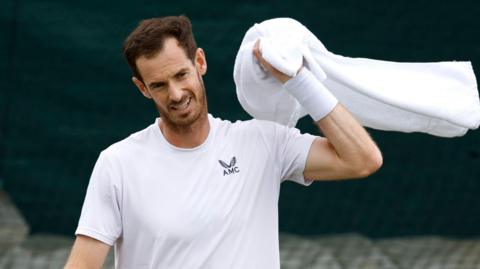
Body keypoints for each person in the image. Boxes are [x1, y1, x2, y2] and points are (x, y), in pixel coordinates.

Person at [64, 15, 382, 269]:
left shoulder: (264, 142)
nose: (175, 94)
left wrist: (298, 80)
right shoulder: (118, 163)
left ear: (199, 62)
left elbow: (363, 159)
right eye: (159, 85)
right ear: (142, 88)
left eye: (181, 75)